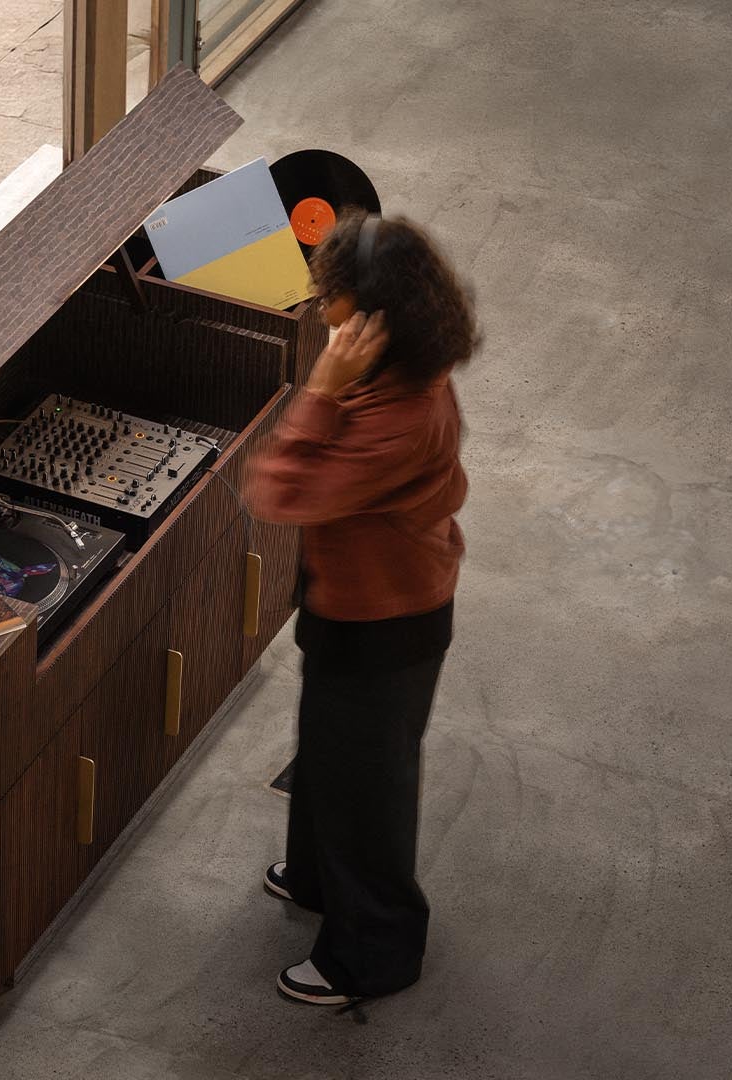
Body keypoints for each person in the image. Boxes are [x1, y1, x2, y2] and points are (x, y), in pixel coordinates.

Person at [243, 209, 477, 1007]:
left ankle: (373, 955)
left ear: (373, 315)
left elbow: (281, 491)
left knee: (367, 793)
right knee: (328, 759)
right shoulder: (401, 367)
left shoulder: (398, 418)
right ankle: (316, 879)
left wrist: (319, 391)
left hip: (387, 625)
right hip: (356, 601)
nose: (319, 311)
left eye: (328, 298)